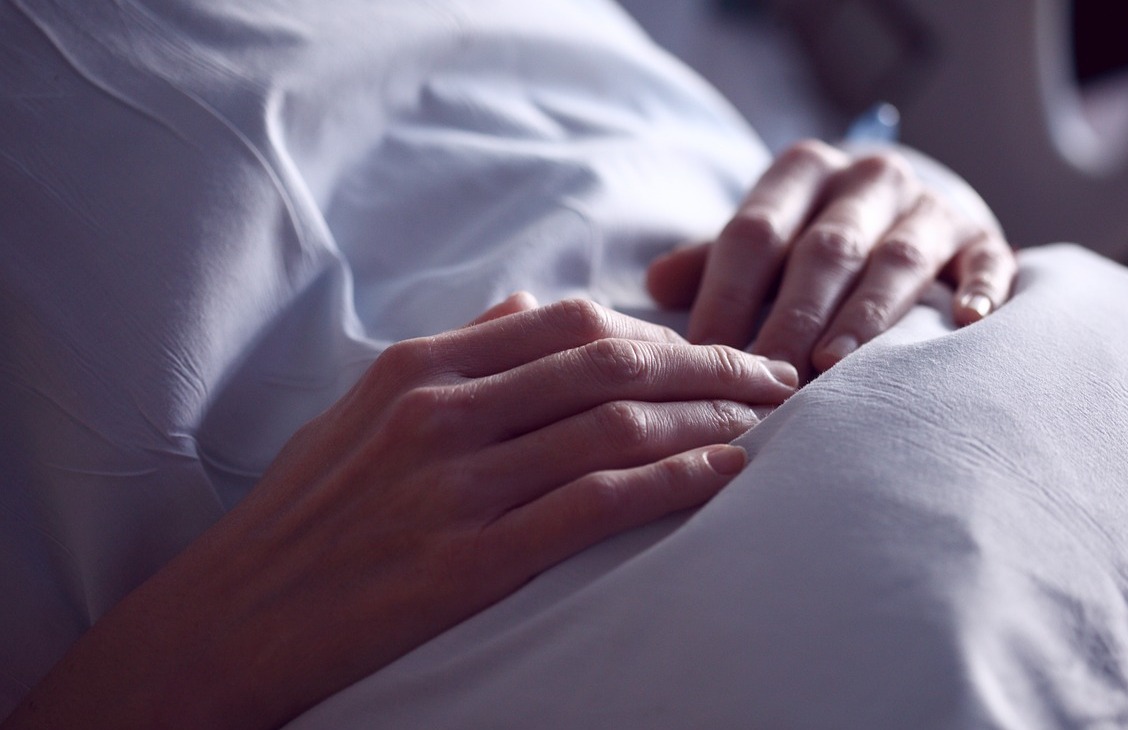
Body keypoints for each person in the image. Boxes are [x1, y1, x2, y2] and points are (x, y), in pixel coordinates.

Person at [0, 0, 1012, 726]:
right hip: (727, 630)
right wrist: (169, 670)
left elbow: (699, 110)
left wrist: (900, 197)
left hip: (1017, 362)